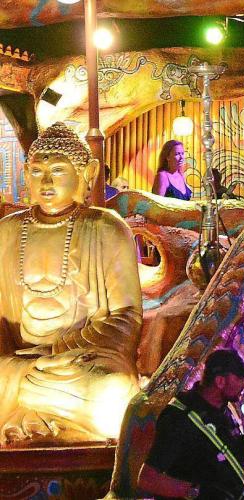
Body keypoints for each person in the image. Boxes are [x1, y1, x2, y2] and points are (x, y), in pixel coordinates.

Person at [0, 122, 142, 444]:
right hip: (17, 365)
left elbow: (126, 316)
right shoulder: (6, 231)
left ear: (87, 173)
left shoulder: (107, 228)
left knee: (112, 392)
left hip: (81, 363)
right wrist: (15, 362)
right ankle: (41, 417)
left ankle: (30, 417)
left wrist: (57, 352)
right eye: (37, 172)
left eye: (58, 171)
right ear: (26, 174)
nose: (46, 182)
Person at [138, 349, 244, 499]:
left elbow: (215, 454)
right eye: (239, 377)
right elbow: (147, 479)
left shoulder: (226, 408)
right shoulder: (180, 418)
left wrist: (243, 466)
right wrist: (196, 492)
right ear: (220, 381)